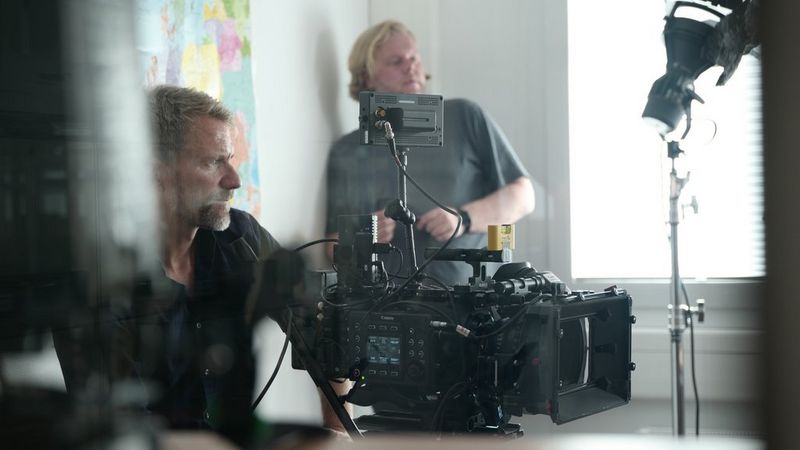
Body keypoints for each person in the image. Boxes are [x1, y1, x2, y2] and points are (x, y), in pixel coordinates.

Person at [54, 85, 348, 445]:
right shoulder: (101, 277)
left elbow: (324, 333)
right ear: (155, 173)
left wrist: (335, 431)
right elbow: (120, 426)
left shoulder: (241, 237)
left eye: (232, 159)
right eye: (213, 162)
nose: (234, 181)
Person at [325, 20, 536, 285]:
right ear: (366, 76)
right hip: (381, 307)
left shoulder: (464, 116)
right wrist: (363, 235)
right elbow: (329, 248)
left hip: (469, 303)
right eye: (395, 61)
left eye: (414, 57)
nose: (410, 66)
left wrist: (464, 219)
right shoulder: (347, 151)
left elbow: (524, 196)